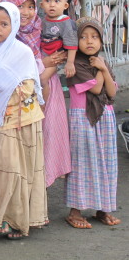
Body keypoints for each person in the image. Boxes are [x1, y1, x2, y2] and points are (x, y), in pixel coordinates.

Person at [0, 2, 48, 240]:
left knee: (21, 169)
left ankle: (17, 222)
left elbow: (30, 85)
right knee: (7, 167)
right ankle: (7, 218)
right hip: (4, 118)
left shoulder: (22, 52)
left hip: (24, 119)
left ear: (14, 26)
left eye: (4, 24)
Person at [1, 0, 71, 187]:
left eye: (30, 6)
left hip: (48, 91)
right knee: (20, 152)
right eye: (20, 6)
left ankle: (38, 202)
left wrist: (49, 63)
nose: (26, 12)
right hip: (16, 97)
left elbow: (60, 50)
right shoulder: (1, 31)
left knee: (46, 143)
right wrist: (43, 63)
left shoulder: (40, 26)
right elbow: (8, 65)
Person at [64, 17, 120, 229]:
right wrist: (100, 70)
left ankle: (103, 209)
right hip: (82, 118)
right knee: (82, 162)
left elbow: (112, 92)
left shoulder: (101, 62)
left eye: (94, 37)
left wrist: (104, 69)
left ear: (101, 41)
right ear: (76, 42)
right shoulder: (76, 65)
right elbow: (97, 90)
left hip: (105, 117)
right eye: (84, 37)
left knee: (106, 162)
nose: (89, 41)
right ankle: (75, 211)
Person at [40, 0, 78, 101]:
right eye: (48, 1)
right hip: (44, 55)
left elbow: (72, 44)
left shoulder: (65, 23)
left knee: (42, 79)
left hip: (56, 58)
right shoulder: (43, 20)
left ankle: (43, 105)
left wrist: (70, 63)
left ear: (65, 5)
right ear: (41, 5)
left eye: (57, 1)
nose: (52, 4)